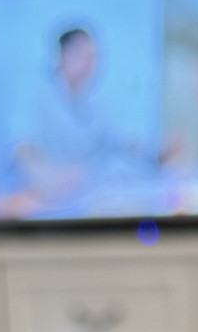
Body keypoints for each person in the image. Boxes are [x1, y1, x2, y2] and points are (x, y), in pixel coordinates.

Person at [13, 27, 126, 204]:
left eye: (92, 57)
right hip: (45, 199)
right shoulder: (37, 97)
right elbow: (22, 148)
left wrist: (155, 153)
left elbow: (116, 141)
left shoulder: (95, 102)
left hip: (84, 198)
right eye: (81, 55)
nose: (89, 64)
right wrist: (49, 177)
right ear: (61, 57)